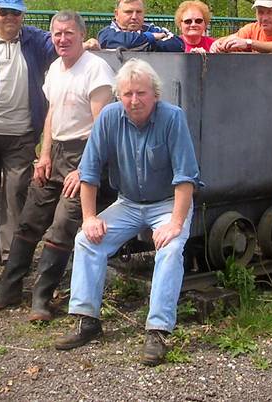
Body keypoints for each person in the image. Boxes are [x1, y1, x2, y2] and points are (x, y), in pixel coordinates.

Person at [55, 59, 201, 367]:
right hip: (130, 202)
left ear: (155, 94)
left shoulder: (173, 118)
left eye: (141, 93)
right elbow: (89, 172)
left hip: (166, 204)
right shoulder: (109, 118)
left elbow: (186, 177)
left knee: (171, 247)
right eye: (127, 94)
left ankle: (158, 330)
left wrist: (175, 223)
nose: (134, 101)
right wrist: (90, 218)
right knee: (86, 240)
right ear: (118, 96)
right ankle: (87, 320)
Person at [0, 11, 115, 322]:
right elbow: (52, 112)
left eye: (69, 33)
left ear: (82, 35)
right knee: (29, 220)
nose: (62, 39)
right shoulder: (55, 68)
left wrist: (85, 171)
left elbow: (102, 127)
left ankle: (42, 298)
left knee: (62, 225)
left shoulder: (96, 70)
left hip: (85, 155)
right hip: (56, 153)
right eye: (57, 34)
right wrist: (44, 154)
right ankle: (9, 288)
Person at [0, 0, 57, 269]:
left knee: (16, 190)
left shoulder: (34, 40)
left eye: (16, 12)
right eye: (4, 12)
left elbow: (60, 40)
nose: (10, 17)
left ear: (23, 15)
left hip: (21, 132)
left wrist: (89, 40)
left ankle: (13, 251)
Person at [98, 0, 184, 52]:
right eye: (129, 12)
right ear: (116, 14)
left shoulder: (151, 29)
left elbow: (178, 44)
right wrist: (150, 37)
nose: (134, 17)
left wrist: (141, 44)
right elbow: (125, 42)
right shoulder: (106, 34)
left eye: (138, 12)